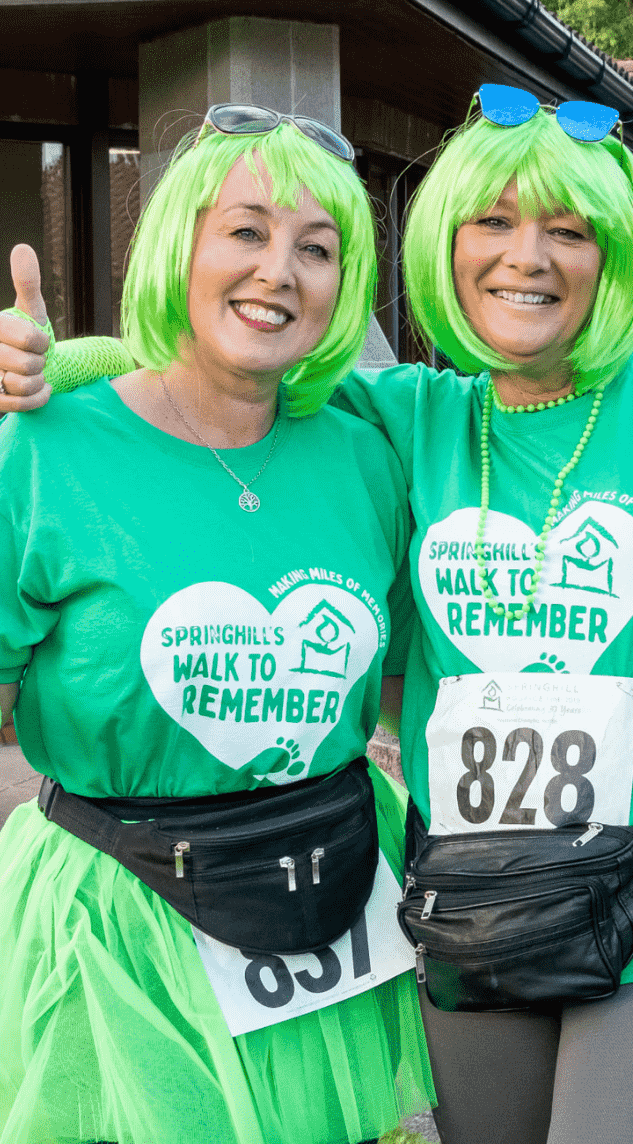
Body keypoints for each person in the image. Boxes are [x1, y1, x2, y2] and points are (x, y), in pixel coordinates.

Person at [0, 88, 633, 1144]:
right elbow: (217, 379)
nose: (525, 257)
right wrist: (60, 363)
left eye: (568, 231)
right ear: (444, 244)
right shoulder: (400, 419)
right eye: (492, 221)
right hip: (468, 902)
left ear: (613, 255)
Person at [0, 109, 434, 1143]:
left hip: (325, 892)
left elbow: (398, 676)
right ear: (177, 248)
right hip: (124, 919)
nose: (279, 271)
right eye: (246, 231)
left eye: (317, 249)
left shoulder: (365, 455)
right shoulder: (47, 446)